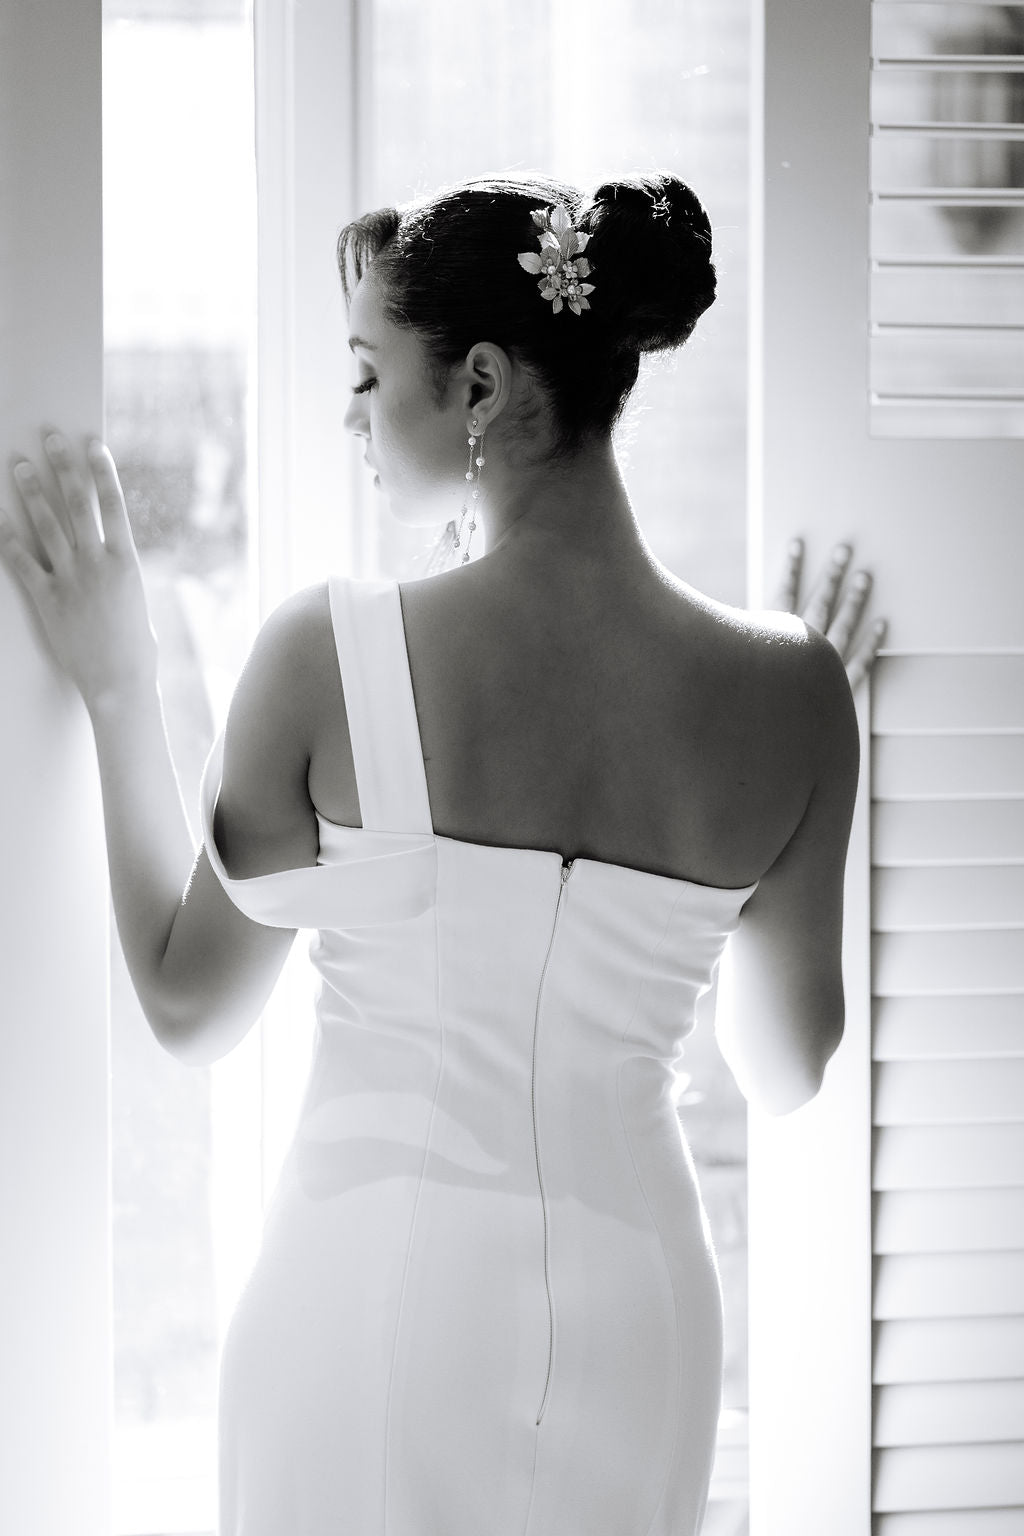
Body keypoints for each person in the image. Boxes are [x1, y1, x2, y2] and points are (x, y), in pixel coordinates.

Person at [0, 172, 883, 1536]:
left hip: (371, 1306)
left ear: (478, 386)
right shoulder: (797, 691)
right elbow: (783, 1066)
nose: (348, 417)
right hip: (645, 1316)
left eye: (366, 374)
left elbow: (188, 1003)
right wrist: (814, 756)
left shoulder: (327, 651)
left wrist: (121, 687)